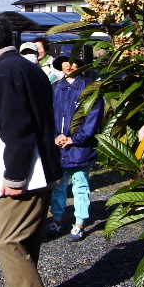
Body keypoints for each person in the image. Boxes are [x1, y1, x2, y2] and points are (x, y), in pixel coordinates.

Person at [0, 14, 63, 287]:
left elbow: (17, 128)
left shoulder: (4, 73)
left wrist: (13, 177)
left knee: (7, 244)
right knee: (23, 247)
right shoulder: (28, 68)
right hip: (43, 168)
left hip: (24, 172)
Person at [48, 54, 104, 242]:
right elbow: (50, 114)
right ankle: (57, 219)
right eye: (65, 62)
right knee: (59, 185)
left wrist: (75, 139)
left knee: (80, 184)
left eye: (73, 62)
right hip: (60, 146)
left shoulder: (89, 88)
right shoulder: (57, 87)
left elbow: (93, 118)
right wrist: (56, 136)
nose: (69, 65)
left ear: (80, 64)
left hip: (80, 147)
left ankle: (79, 222)